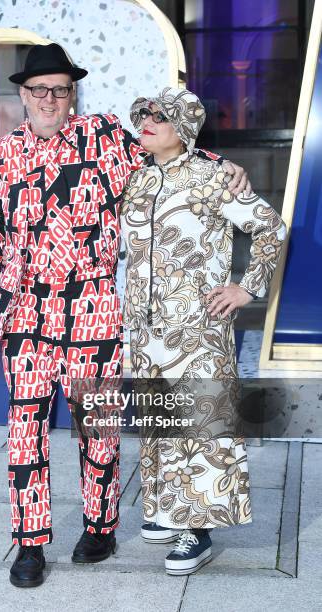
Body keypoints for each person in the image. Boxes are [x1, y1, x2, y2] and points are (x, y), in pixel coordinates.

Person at [0, 44, 251, 588]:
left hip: (95, 304)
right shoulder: (0, 157)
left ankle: (100, 526)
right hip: (27, 309)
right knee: (24, 428)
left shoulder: (104, 136)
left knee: (95, 426)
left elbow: (170, 156)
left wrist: (224, 168)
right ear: (23, 95)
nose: (49, 99)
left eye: (59, 89)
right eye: (38, 90)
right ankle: (29, 544)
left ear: (71, 93)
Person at [121, 87, 287, 576]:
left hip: (197, 328)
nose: (147, 121)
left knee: (201, 426)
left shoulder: (213, 178)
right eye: (144, 114)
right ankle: (166, 509)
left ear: (185, 128)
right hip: (146, 326)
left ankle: (199, 529)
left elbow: (270, 229)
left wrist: (246, 288)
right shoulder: (134, 178)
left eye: (160, 116)